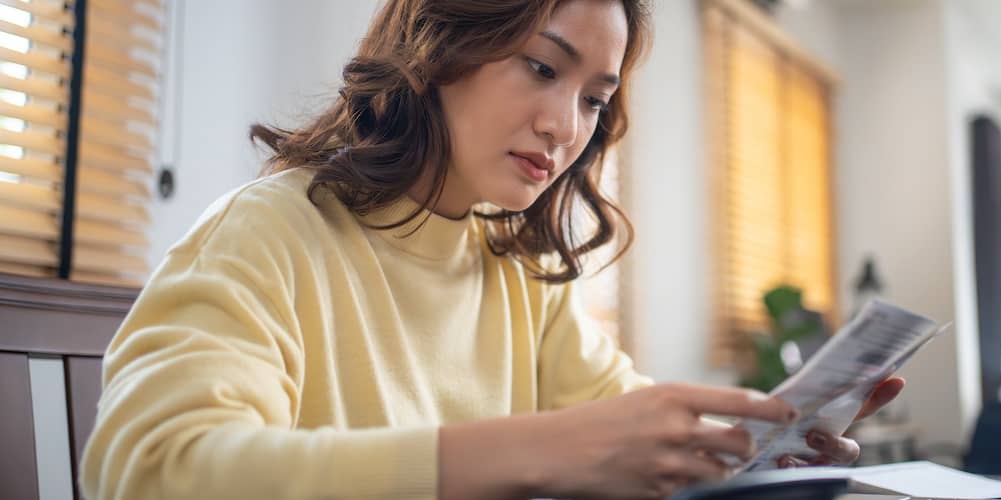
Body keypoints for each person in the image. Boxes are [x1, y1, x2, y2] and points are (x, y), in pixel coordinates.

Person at [79, 1, 904, 499]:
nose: (565, 126)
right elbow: (151, 471)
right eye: (542, 67)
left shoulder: (517, 279)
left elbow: (632, 437)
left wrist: (762, 445)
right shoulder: (266, 233)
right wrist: (543, 452)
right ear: (439, 46)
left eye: (593, 99)